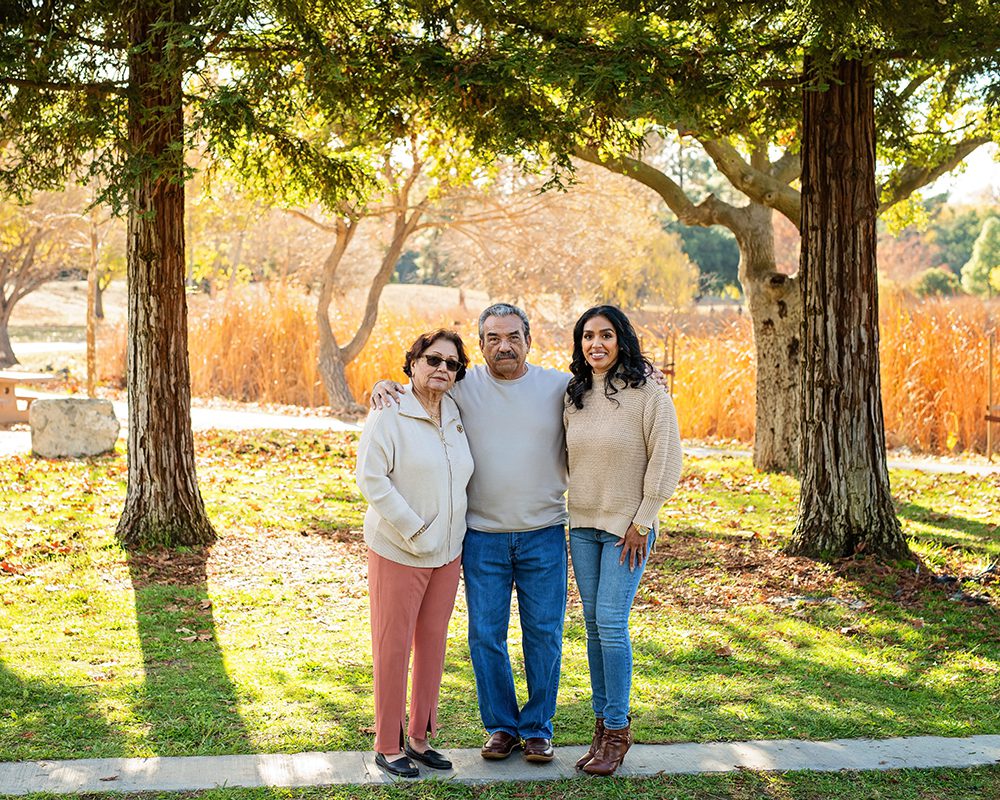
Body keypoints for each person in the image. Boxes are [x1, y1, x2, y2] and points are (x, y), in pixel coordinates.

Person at [372, 303, 569, 764]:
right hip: (481, 536)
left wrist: (645, 372)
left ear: (529, 340)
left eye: (514, 336)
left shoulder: (559, 386)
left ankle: (538, 727)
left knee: (544, 633)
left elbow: (607, 389)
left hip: (543, 532)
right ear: (480, 346)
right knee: (485, 635)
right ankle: (501, 726)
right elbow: (421, 386)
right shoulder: (463, 386)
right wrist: (386, 387)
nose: (505, 345)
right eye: (494, 338)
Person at [563, 305, 682, 777]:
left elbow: (667, 460)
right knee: (593, 625)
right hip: (582, 526)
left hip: (628, 529)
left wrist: (643, 519)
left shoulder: (649, 394)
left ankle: (617, 730)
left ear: (621, 340)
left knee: (611, 622)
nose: (596, 344)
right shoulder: (573, 396)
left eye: (606, 335)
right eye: (588, 336)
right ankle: (600, 729)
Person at [356, 329, 474, 778]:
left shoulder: (456, 412)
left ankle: (420, 739)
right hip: (399, 550)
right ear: (413, 363)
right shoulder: (389, 411)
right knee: (393, 647)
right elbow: (372, 480)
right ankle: (387, 745)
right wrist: (414, 528)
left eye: (451, 363)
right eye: (432, 359)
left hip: (448, 552)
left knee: (432, 646)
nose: (442, 368)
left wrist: (444, 538)